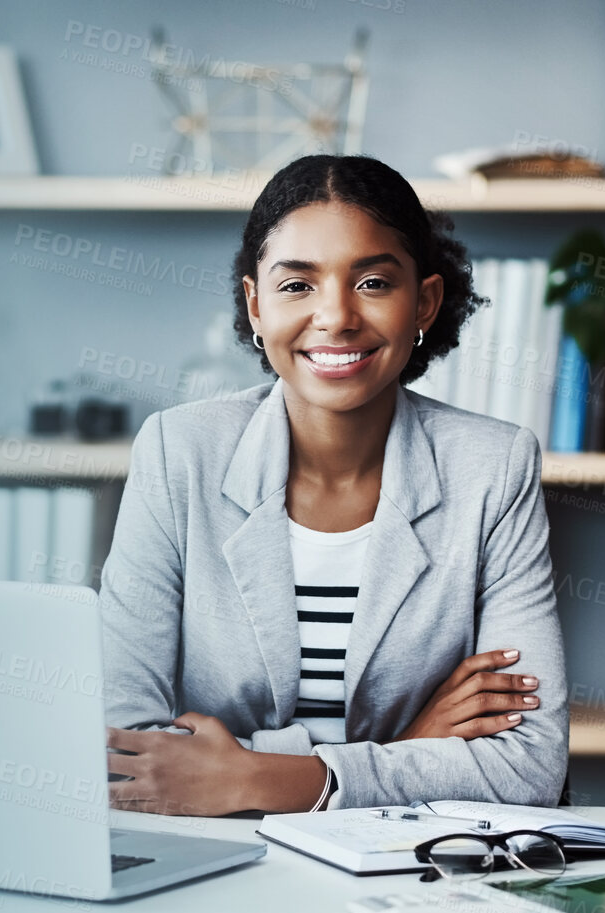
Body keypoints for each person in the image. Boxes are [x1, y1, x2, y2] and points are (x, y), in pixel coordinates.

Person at [98, 154, 568, 814]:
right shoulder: (179, 453)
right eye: (297, 286)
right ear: (254, 305)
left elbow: (528, 767)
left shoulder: (492, 468)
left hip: (415, 871)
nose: (336, 316)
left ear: (423, 303)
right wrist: (412, 745)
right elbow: (122, 757)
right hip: (220, 867)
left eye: (373, 282)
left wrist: (254, 777)